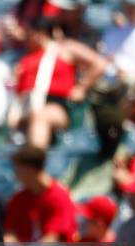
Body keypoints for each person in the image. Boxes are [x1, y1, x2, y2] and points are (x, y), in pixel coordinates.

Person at [10, 17, 107, 149]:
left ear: (39, 33)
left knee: (41, 116)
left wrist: (81, 88)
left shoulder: (63, 48)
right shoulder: (26, 58)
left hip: (57, 105)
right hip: (28, 106)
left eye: (28, 33)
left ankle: (35, 157)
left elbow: (99, 64)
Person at [5, 145, 78, 243]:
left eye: (18, 169)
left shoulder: (59, 197)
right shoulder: (18, 199)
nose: (15, 174)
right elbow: (10, 234)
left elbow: (53, 239)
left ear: (29, 169)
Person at [100, 0, 135, 84]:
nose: (130, 9)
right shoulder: (114, 30)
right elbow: (104, 60)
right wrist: (116, 71)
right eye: (127, 5)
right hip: (111, 84)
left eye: (134, 6)